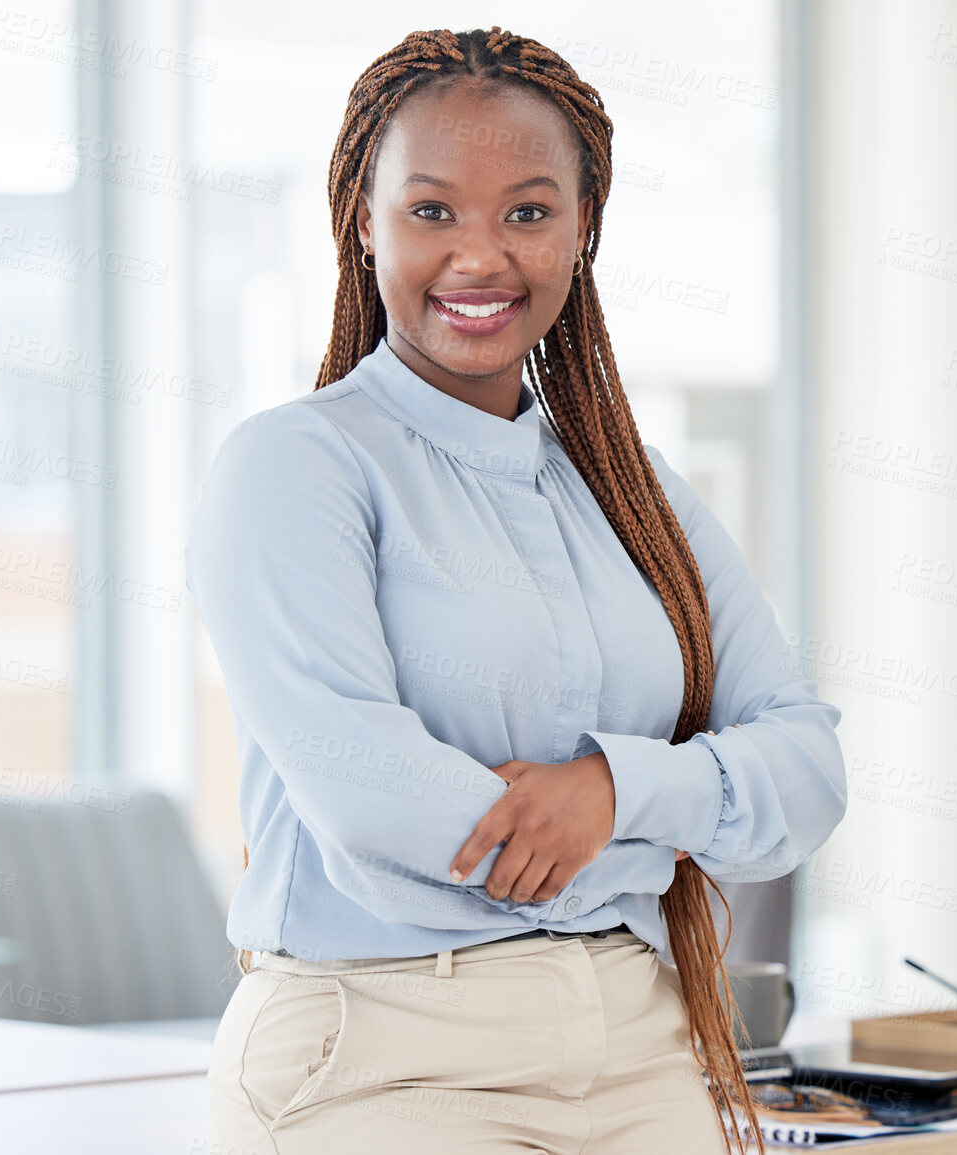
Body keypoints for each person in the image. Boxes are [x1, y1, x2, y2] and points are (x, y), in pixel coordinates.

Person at [185, 26, 846, 1154]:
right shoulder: (296, 465)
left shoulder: (637, 497)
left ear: (582, 232)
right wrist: (682, 819)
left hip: (644, 1051)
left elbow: (810, 771)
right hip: (385, 1058)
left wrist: (612, 792)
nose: (480, 257)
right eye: (431, 211)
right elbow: (371, 797)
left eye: (528, 213)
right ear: (362, 218)